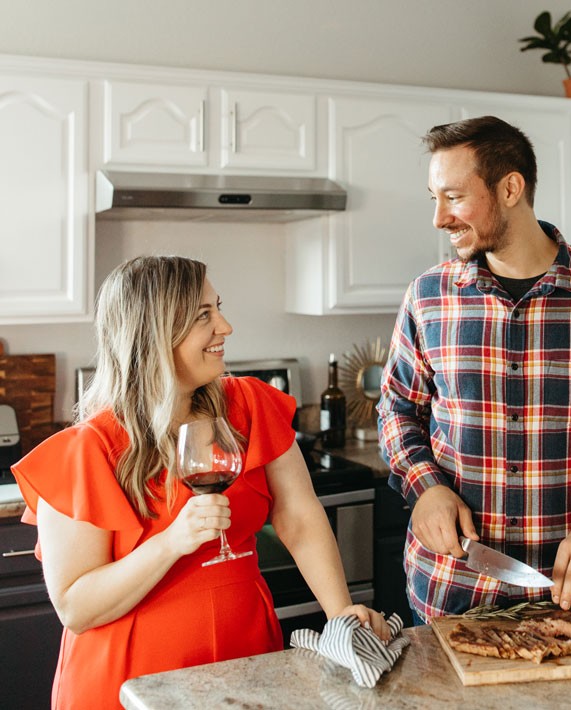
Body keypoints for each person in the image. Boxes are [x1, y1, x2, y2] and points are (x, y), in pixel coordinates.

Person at [11, 255, 390, 710]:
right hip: (129, 683)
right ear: (153, 333)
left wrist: (339, 614)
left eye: (219, 307)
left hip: (248, 662)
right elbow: (76, 606)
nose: (225, 326)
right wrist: (173, 542)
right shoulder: (83, 451)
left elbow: (299, 516)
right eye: (203, 315)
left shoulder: (248, 405)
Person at [377, 115, 571, 624]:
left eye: (452, 197)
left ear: (511, 188)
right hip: (453, 590)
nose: (439, 218)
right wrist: (425, 486)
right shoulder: (428, 297)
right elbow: (397, 411)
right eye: (434, 198)